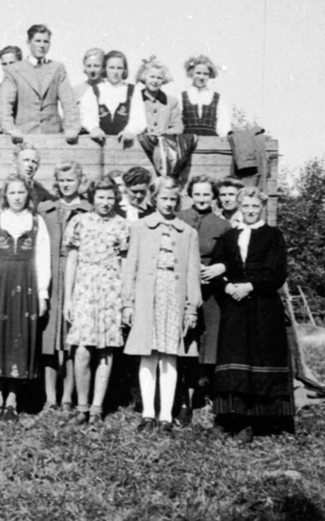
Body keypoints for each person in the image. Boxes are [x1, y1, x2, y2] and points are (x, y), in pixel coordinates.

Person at [206, 187, 293, 443]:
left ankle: (254, 423)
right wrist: (227, 286)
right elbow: (217, 269)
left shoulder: (272, 235)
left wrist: (250, 286)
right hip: (234, 306)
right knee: (234, 360)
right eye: (246, 207)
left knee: (258, 360)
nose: (251, 211)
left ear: (262, 207)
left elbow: (276, 273)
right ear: (239, 207)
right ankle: (229, 419)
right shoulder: (230, 236)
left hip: (263, 307)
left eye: (255, 207)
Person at [121, 176, 202, 434]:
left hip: (173, 296)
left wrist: (191, 307)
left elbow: (192, 273)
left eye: (172, 199)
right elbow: (130, 267)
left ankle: (166, 415)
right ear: (154, 199)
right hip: (147, 295)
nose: (168, 204)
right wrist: (128, 303)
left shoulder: (188, 232)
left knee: (169, 354)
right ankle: (148, 413)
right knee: (148, 353)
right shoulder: (140, 228)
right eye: (163, 198)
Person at [0, 174, 51, 421]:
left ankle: (12, 402)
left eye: (21, 192)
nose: (17, 197)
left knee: (19, 339)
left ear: (28, 195)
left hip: (26, 286)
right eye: (12, 193)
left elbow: (43, 259)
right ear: (5, 195)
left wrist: (42, 294)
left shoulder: (36, 222)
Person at [64, 176, 131, 425]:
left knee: (105, 350)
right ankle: (81, 406)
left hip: (111, 290)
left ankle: (96, 408)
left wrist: (126, 301)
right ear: (92, 198)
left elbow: (125, 263)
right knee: (82, 351)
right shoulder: (79, 222)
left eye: (110, 197)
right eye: (100, 197)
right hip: (84, 289)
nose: (105, 202)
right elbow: (71, 260)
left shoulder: (123, 225)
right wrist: (69, 300)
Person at [174, 174, 232, 427]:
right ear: (190, 195)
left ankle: (209, 397)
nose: (201, 199)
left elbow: (232, 257)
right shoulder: (180, 219)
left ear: (213, 197)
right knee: (185, 343)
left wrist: (219, 268)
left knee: (209, 344)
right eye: (197, 194)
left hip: (211, 292)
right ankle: (184, 402)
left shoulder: (222, 225)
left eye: (206, 194)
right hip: (182, 289)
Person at [38, 161, 92, 413]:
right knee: (49, 340)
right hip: (50, 277)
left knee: (72, 339)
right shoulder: (45, 209)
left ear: (80, 181)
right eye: (62, 180)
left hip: (77, 278)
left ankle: (68, 397)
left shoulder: (88, 211)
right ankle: (50, 397)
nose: (66, 184)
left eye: (71, 180)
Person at [0, 25, 80, 143]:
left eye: (46, 41)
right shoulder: (14, 70)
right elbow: (5, 106)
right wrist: (10, 129)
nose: (42, 45)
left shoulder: (57, 68)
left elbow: (69, 102)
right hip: (23, 137)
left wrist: (72, 128)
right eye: (38, 41)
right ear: (28, 42)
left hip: (53, 136)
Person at [80, 50, 135, 144]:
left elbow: (138, 117)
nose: (115, 72)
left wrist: (130, 130)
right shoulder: (94, 90)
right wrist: (94, 128)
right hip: (99, 142)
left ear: (125, 70)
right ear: (105, 69)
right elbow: (87, 115)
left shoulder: (132, 90)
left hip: (127, 142)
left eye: (119, 68)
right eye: (111, 68)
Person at [126, 57, 184, 138]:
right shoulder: (135, 99)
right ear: (144, 77)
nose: (155, 81)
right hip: (137, 146)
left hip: (162, 145)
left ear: (163, 80)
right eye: (152, 77)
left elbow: (178, 127)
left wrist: (165, 133)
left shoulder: (171, 101)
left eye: (159, 78)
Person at [181, 55, 230, 137]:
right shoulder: (181, 96)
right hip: (187, 143)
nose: (201, 77)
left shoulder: (217, 98)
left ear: (210, 75)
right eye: (198, 73)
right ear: (191, 73)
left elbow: (223, 126)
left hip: (211, 144)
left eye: (205, 74)